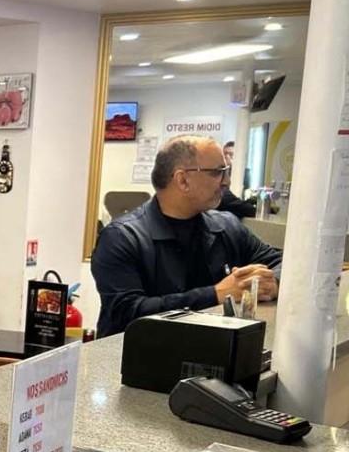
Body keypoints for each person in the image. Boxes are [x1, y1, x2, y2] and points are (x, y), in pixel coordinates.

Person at [92, 135, 282, 337]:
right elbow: (127, 312)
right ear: (182, 180)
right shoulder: (122, 237)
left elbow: (282, 263)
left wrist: (272, 284)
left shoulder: (227, 226)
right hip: (138, 359)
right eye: (217, 173)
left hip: (210, 354)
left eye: (226, 173)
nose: (226, 182)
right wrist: (215, 294)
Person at [217, 141, 258, 218]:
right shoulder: (217, 176)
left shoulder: (244, 174)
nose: (227, 157)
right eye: (225, 154)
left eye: (231, 154)